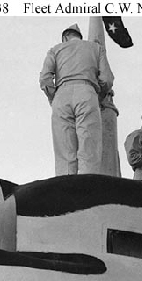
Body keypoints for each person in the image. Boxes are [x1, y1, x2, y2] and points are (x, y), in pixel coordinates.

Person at [39, 23, 114, 176]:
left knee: (64, 153)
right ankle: (88, 186)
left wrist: (54, 98)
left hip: (62, 94)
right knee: (89, 149)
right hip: (87, 92)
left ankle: (66, 186)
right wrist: (97, 96)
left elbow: (45, 79)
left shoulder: (55, 50)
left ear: (65, 37)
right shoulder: (96, 48)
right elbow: (107, 79)